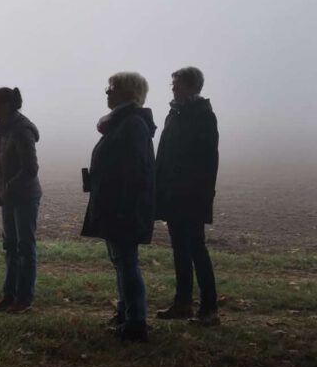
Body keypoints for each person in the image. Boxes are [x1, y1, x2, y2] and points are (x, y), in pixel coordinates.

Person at [81, 72, 157, 342]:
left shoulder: (132, 124)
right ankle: (126, 313)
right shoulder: (122, 123)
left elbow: (135, 172)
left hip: (123, 208)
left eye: (112, 88)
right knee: (120, 262)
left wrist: (123, 208)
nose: (106, 92)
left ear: (128, 92)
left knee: (127, 262)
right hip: (115, 205)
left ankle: (136, 323)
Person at [154, 67, 221, 325]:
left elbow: (206, 162)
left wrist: (198, 194)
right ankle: (182, 303)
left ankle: (209, 308)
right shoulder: (176, 113)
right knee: (180, 249)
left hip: (190, 196)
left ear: (192, 86)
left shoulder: (202, 115)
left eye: (177, 83)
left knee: (196, 248)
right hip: (173, 194)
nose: (173, 88)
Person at [0, 87, 42, 314]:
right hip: (9, 198)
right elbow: (3, 166)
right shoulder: (5, 130)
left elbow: (30, 168)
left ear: (7, 106)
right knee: (10, 247)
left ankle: (24, 299)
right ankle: (9, 296)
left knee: (24, 247)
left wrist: (8, 187)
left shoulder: (21, 131)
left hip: (25, 198)